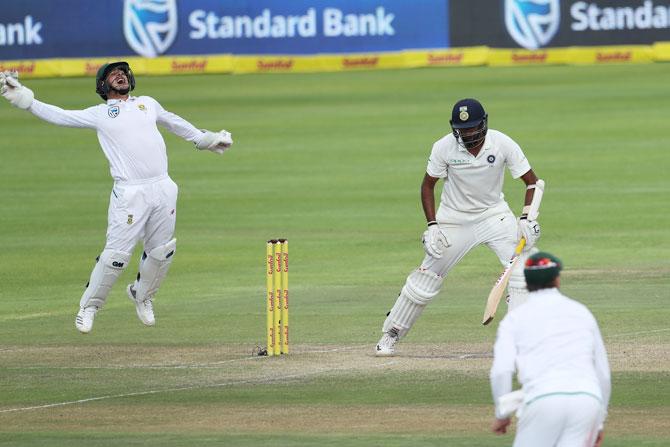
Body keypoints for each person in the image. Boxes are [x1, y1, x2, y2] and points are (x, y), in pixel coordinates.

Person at [0, 63, 233, 334]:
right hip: (130, 193)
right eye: (113, 74)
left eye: (123, 72)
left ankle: (142, 296)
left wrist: (206, 139)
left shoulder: (147, 103)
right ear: (102, 85)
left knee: (162, 252)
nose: (120, 75)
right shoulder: (100, 114)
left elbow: (175, 122)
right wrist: (25, 100)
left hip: (163, 187)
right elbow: (60, 115)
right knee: (116, 257)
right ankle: (89, 306)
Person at [376, 98, 542, 356]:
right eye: (462, 130)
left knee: (524, 268)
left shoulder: (502, 143)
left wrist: (527, 219)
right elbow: (428, 185)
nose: (467, 134)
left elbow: (533, 182)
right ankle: (391, 334)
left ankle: (517, 339)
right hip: (454, 219)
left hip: (494, 216)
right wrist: (432, 225)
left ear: (484, 124)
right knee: (425, 278)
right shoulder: (444, 147)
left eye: (473, 129)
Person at [489, 251, 610, 447]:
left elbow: (502, 370)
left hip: (542, 399)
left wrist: (502, 413)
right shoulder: (581, 312)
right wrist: (598, 422)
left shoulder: (514, 319)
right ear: (557, 279)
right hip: (587, 401)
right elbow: (602, 373)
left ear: (526, 283)